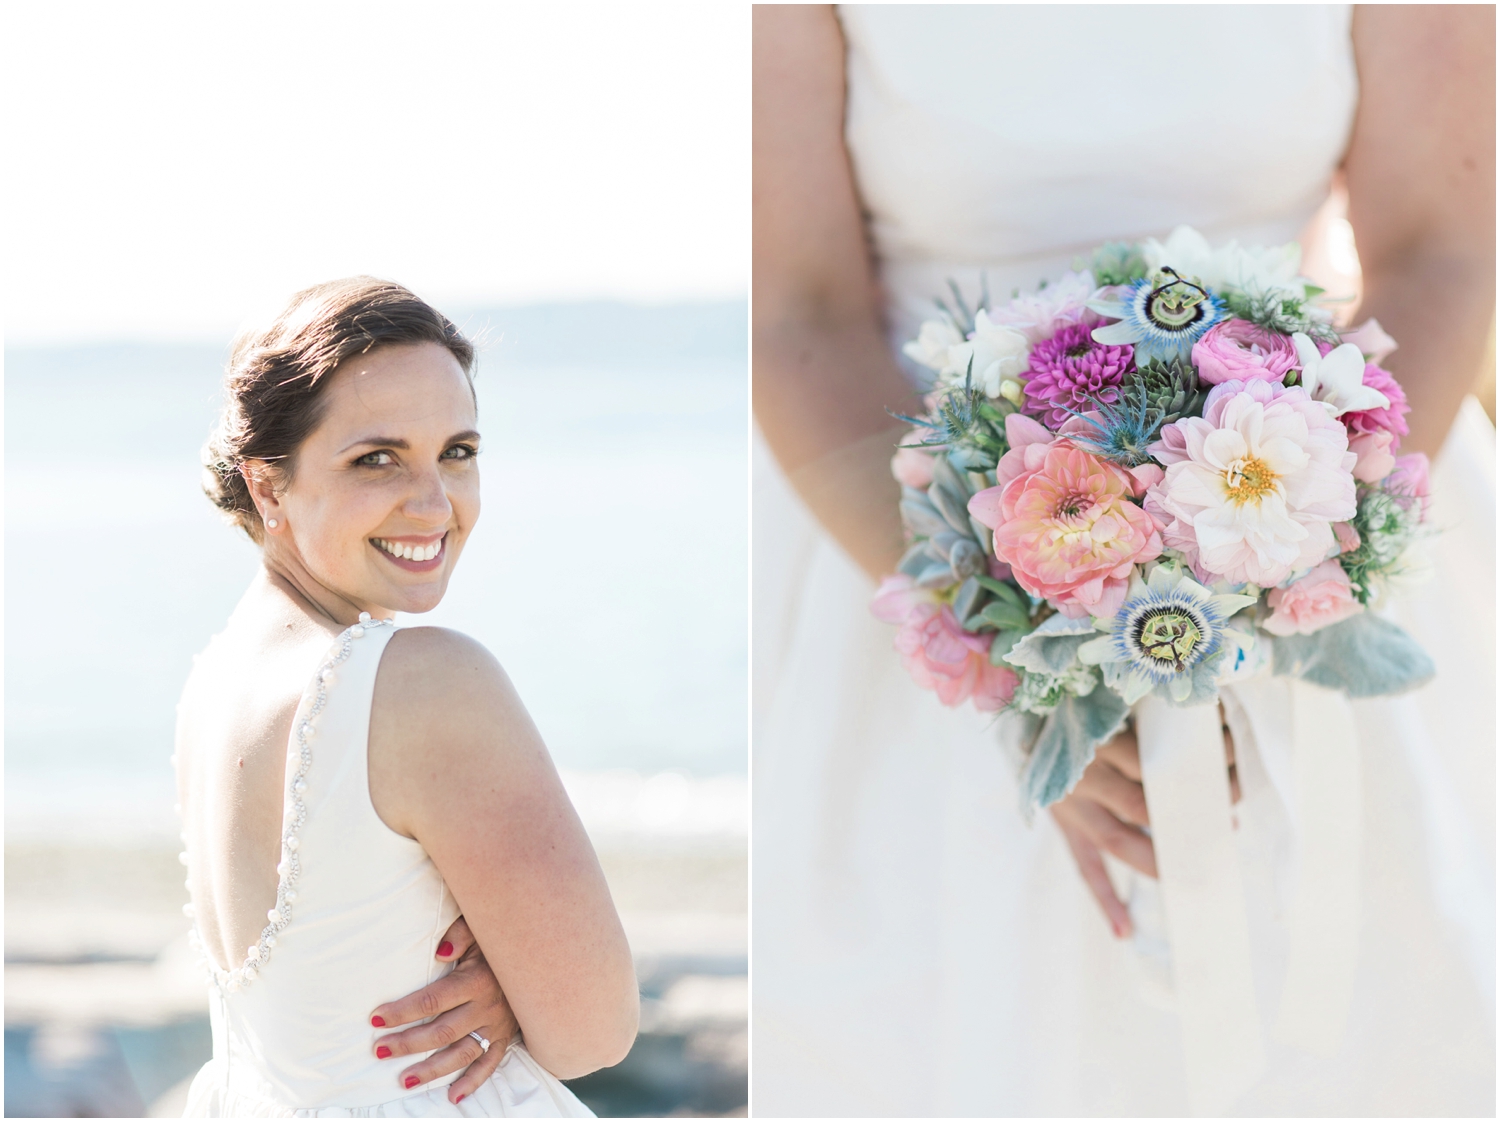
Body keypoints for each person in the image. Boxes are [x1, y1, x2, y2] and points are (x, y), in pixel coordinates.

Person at [753, 5, 1494, 1115]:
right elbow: (796, 314)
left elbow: (1441, 250)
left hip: (1307, 512)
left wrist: (1278, 566)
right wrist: (1016, 645)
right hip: (913, 529)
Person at [176, 278, 638, 1116]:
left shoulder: (216, 682)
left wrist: (507, 981)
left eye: (457, 451)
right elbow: (593, 1030)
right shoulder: (425, 682)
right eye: (376, 459)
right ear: (270, 486)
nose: (434, 503)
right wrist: (524, 994)